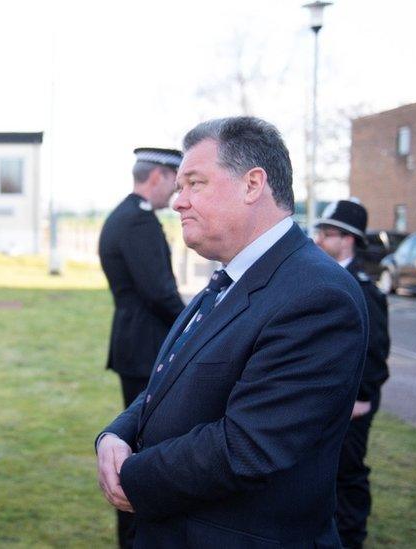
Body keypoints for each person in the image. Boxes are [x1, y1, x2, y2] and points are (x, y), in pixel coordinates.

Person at [96, 116, 368, 547]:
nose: (178, 202)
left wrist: (132, 475)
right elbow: (173, 381)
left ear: (252, 184)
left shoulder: (316, 296)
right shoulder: (235, 275)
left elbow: (247, 445)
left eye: (195, 184)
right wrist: (117, 434)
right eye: (179, 186)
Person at [97, 147, 185, 547]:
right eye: (176, 179)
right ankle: (135, 535)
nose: (178, 188)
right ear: (158, 176)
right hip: (146, 342)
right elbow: (159, 291)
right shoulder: (138, 221)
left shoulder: (128, 214)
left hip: (136, 339)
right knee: (143, 447)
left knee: (139, 442)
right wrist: (192, 326)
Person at [314, 199, 390, 549]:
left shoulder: (362, 288)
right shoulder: (329, 277)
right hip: (332, 401)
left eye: (325, 234)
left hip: (352, 406)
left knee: (348, 475)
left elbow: (375, 352)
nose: (317, 240)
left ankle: (351, 539)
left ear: (347, 239)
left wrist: (360, 398)